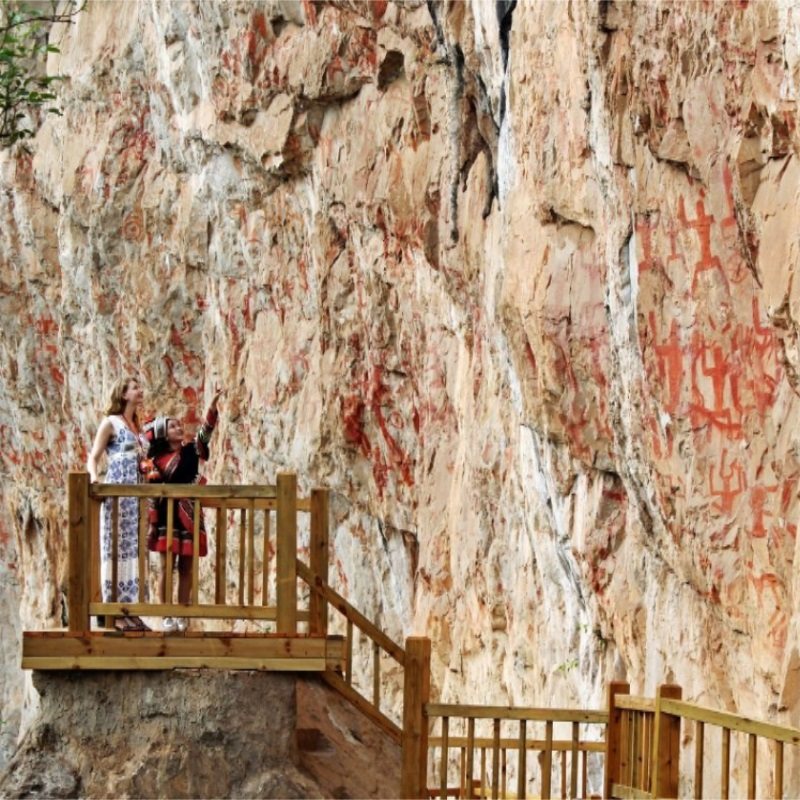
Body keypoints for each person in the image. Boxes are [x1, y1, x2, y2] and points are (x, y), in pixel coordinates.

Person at [145, 388, 222, 633]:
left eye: (179, 425)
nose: (179, 428)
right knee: (167, 565)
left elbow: (205, 433)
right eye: (173, 427)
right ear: (162, 435)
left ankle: (182, 613)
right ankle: (166, 613)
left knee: (187, 566)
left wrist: (211, 409)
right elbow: (152, 491)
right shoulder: (154, 461)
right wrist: (152, 521)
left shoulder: (191, 450)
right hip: (167, 515)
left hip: (189, 512)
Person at [86, 376, 150, 632]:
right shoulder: (111, 423)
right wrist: (94, 479)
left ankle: (131, 610)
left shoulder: (137, 426)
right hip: (117, 495)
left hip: (137, 497)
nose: (139, 391)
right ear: (123, 394)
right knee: (114, 549)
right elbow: (93, 456)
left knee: (134, 551)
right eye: (134, 388)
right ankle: (114, 612)